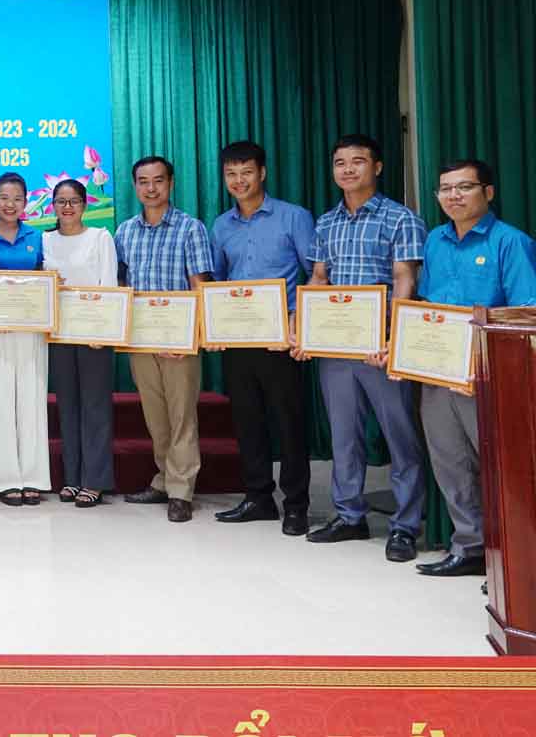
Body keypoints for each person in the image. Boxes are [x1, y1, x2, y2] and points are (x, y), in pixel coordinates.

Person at [297, 133, 428, 562]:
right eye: (340, 163)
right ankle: (349, 515)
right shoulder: (326, 222)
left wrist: (394, 339)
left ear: (377, 167)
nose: (348, 169)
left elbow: (404, 281)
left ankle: (405, 525)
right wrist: (305, 327)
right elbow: (319, 279)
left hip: (382, 348)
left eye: (358, 161)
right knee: (344, 437)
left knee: (400, 436)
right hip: (336, 347)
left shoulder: (400, 218)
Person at [413, 159, 536, 577]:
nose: (454, 196)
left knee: (499, 468)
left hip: (488, 375)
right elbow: (427, 304)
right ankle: (469, 548)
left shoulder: (510, 242)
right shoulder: (435, 240)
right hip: (438, 372)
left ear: (488, 192)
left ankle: (511, 563)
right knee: (449, 461)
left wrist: (479, 358)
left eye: (464, 187)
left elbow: (524, 311)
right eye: (445, 189)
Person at [207, 141, 316, 536]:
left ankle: (297, 504)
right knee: (247, 419)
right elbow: (218, 282)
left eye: (246, 172)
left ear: (262, 173)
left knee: (288, 421)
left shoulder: (294, 218)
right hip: (238, 339)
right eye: (231, 174)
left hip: (280, 340)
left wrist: (295, 321)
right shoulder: (221, 225)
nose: (239, 181)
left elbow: (315, 276)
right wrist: (214, 325)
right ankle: (258, 497)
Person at [114, 155, 214, 524]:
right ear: (135, 186)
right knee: (155, 417)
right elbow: (121, 286)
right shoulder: (125, 231)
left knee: (182, 415)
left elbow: (199, 286)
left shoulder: (191, 228)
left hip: (178, 341)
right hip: (141, 340)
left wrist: (191, 335)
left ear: (171, 183)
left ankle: (181, 490)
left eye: (158, 180)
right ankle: (163, 479)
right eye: (143, 181)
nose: (151, 188)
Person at [42, 178, 118, 508]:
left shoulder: (100, 238)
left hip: (94, 335)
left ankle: (95, 480)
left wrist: (105, 331)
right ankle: (72, 477)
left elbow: (110, 285)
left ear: (85, 204)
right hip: (58, 335)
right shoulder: (44, 241)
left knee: (95, 407)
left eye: (74, 201)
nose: (67, 207)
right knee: (68, 406)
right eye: (61, 201)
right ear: (53, 206)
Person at [0, 173, 50, 505]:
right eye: (4, 198)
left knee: (32, 399)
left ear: (26, 202)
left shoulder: (38, 237)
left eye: (18, 198)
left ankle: (34, 476)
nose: (10, 204)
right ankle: (7, 479)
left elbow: (43, 277)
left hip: (31, 328)